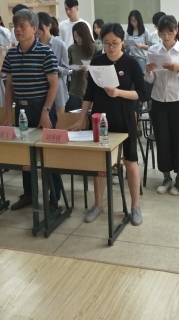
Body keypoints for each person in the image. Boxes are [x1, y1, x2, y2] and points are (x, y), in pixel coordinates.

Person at [68, 23, 146, 226]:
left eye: (115, 43)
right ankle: (98, 204)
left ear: (122, 42)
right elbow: (90, 94)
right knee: (100, 163)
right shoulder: (98, 61)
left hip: (124, 116)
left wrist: (119, 92)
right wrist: (81, 118)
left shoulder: (130, 63)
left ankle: (135, 206)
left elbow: (142, 93)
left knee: (130, 161)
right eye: (106, 43)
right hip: (101, 117)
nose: (110, 47)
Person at [1, 9, 62, 210]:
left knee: (48, 154)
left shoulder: (45, 52)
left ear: (34, 29)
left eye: (22, 26)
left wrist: (45, 112)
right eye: (15, 26)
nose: (17, 30)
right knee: (25, 154)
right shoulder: (11, 54)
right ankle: (29, 194)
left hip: (42, 107)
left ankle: (55, 197)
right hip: (21, 108)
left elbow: (54, 85)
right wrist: (8, 113)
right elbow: (9, 86)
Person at [145, 15, 179, 195]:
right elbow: (150, 80)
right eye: (162, 33)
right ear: (158, 33)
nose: (166, 37)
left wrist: (178, 69)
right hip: (159, 100)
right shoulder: (153, 50)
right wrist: (148, 71)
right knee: (162, 139)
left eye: (170, 33)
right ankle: (166, 177)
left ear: (176, 31)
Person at [37, 12, 69, 113]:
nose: (37, 30)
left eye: (40, 27)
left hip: (58, 90)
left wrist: (52, 67)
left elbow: (66, 69)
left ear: (49, 26)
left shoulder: (60, 44)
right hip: (39, 88)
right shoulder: (34, 45)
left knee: (59, 120)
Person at [68, 21, 99, 98]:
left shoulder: (95, 48)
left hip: (91, 86)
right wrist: (77, 67)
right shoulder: (72, 48)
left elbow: (100, 67)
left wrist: (89, 68)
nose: (78, 39)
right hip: (75, 87)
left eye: (80, 37)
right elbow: (67, 65)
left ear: (85, 35)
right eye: (75, 37)